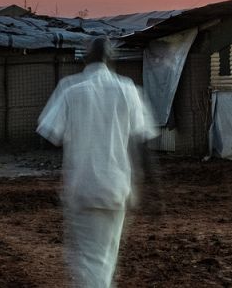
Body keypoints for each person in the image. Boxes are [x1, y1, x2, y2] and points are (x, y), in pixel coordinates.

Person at [37, 37, 157, 287]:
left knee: (88, 258)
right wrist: (154, 188)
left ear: (85, 57)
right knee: (106, 256)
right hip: (116, 187)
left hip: (82, 186)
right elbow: (143, 141)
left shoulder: (70, 89)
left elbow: (49, 135)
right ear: (111, 58)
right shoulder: (128, 89)